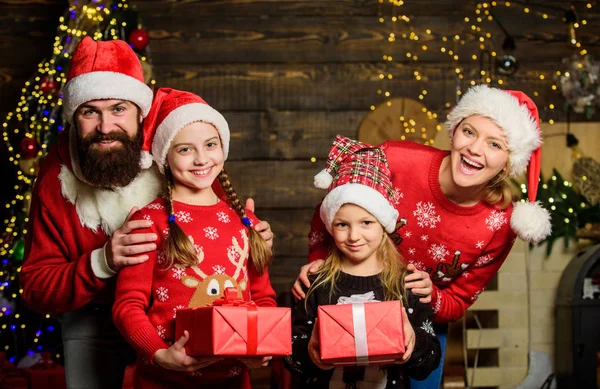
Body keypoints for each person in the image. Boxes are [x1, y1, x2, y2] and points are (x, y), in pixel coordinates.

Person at [19, 37, 273, 389]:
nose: (106, 127)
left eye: (118, 109)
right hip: (95, 317)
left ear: (141, 113)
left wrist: (251, 238)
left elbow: (217, 232)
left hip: (178, 318)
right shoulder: (55, 181)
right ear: (74, 119)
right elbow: (34, 288)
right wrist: (102, 261)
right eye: (89, 112)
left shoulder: (174, 150)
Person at [293, 85, 552, 388]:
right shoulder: (397, 159)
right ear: (454, 131)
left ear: (509, 162)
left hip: (419, 322)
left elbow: (459, 301)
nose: (475, 148)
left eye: (494, 144)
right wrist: (320, 266)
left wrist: (431, 296)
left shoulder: (499, 223)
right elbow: (336, 206)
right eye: (469, 132)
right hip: (347, 301)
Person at [112, 88, 277, 388]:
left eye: (210, 145)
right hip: (164, 380)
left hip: (234, 380)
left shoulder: (245, 223)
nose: (201, 159)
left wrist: (261, 347)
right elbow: (128, 305)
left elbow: (262, 297)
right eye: (185, 149)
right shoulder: (149, 222)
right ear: (165, 158)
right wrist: (159, 353)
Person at [285, 135, 440, 388]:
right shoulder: (315, 283)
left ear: (383, 225)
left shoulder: (407, 284)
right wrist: (311, 353)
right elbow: (291, 355)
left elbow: (428, 363)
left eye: (366, 223)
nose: (354, 236)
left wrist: (413, 343)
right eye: (342, 225)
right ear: (330, 227)